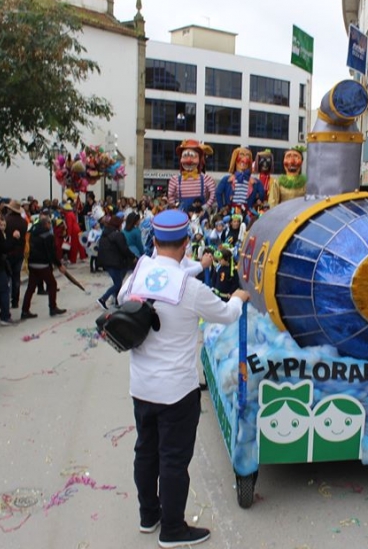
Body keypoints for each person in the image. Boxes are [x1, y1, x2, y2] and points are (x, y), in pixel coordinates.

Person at [116, 209, 249, 548]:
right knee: (173, 460)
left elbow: (121, 302)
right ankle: (173, 530)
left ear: (155, 241)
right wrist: (237, 298)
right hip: (176, 391)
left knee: (146, 452)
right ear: (186, 243)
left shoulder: (138, 274)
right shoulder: (190, 289)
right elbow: (225, 315)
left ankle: (149, 516)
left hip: (141, 386)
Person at [21, 216, 67, 320]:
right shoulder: (47, 235)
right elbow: (51, 252)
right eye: (49, 223)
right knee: (52, 284)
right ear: (46, 224)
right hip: (42, 264)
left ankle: (24, 310)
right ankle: (53, 307)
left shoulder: (33, 233)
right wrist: (59, 265)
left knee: (31, 287)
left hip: (32, 262)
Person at [96, 215, 135, 310]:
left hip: (107, 261)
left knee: (117, 282)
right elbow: (124, 249)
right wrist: (132, 256)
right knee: (118, 283)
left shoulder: (105, 233)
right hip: (115, 262)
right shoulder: (117, 235)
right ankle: (103, 298)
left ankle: (116, 300)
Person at [4, 200, 28, 309]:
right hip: (20, 251)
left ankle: (5, 299)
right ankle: (15, 300)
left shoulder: (6, 220)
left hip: (9, 250)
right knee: (16, 276)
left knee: (7, 277)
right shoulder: (24, 222)